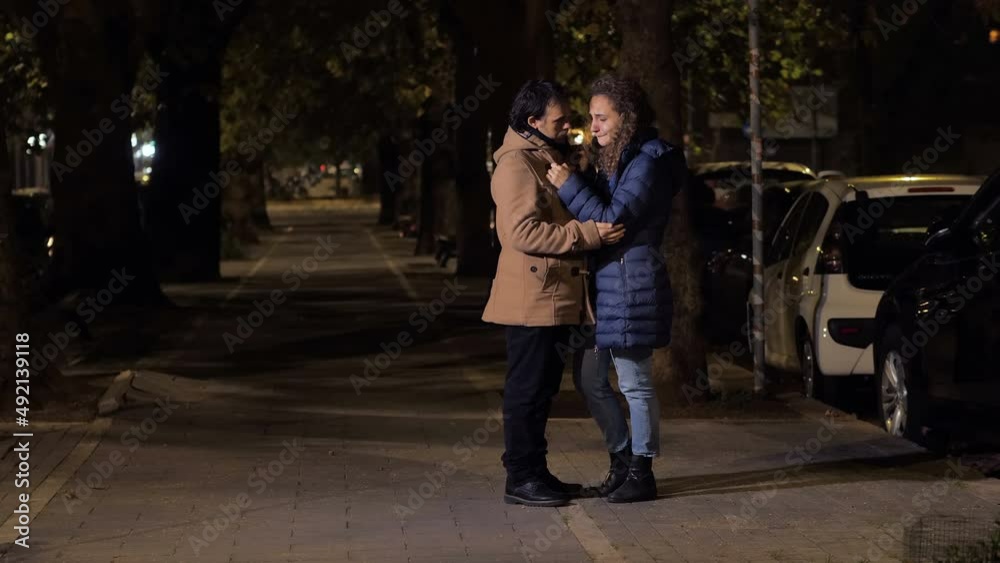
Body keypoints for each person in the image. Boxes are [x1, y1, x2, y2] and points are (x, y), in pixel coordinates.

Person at [483, 80, 625, 507]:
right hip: (531, 298)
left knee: (542, 389)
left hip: (550, 295)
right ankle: (521, 477)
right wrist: (587, 234)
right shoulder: (516, 165)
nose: (568, 126)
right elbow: (520, 233)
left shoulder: (543, 157)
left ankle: (535, 472)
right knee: (526, 390)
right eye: (559, 120)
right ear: (533, 122)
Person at [546, 75, 685, 503]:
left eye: (601, 118)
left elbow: (611, 220)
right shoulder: (615, 159)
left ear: (626, 117)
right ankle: (623, 460)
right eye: (591, 118)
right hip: (604, 287)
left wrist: (569, 186)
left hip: (631, 284)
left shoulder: (647, 161)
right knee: (590, 379)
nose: (593, 127)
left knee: (634, 382)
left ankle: (643, 472)